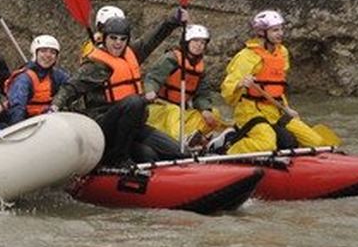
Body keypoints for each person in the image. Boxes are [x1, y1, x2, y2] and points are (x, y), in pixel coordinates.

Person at [50, 13, 186, 167]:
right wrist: (55, 106)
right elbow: (70, 88)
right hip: (105, 129)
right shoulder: (95, 65)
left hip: (132, 125)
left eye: (122, 39)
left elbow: (153, 38)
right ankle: (117, 159)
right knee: (135, 102)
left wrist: (173, 21)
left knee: (174, 152)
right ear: (105, 38)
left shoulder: (131, 53)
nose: (118, 43)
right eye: (113, 38)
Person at [219, 10, 339, 154]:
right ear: (262, 32)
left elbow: (277, 87)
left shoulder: (282, 53)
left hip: (275, 110)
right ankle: (229, 148)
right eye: (275, 30)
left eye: (281, 29)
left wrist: (286, 108)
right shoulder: (246, 56)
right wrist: (240, 84)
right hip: (250, 112)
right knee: (267, 144)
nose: (280, 33)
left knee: (316, 142)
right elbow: (227, 89)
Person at [143, 24, 226, 148]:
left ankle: (198, 139)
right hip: (157, 109)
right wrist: (150, 91)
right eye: (196, 41)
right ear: (187, 42)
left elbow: (201, 95)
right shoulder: (171, 59)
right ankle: (180, 142)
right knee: (174, 110)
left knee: (213, 115)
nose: (199, 45)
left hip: (180, 112)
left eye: (203, 43)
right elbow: (152, 78)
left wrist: (205, 110)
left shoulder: (200, 68)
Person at [3, 35, 70, 126]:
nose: (48, 55)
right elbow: (17, 108)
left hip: (48, 122)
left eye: (52, 52)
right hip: (29, 124)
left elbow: (72, 86)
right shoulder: (24, 78)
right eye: (43, 51)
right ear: (35, 53)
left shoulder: (57, 75)